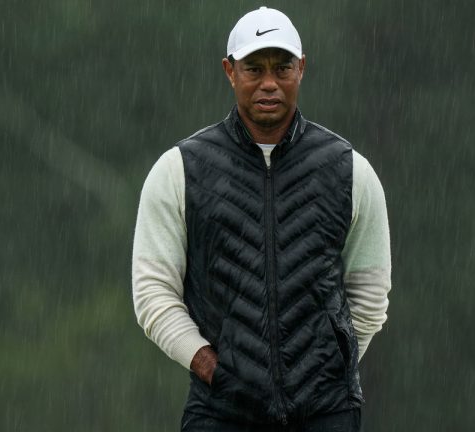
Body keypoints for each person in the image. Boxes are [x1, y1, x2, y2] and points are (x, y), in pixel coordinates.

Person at [132, 6, 391, 431]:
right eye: (254, 68)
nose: (269, 82)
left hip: (326, 414)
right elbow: (153, 293)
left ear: (302, 68)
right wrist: (212, 369)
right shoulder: (178, 170)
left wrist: (327, 369)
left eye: (282, 67)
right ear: (229, 71)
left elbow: (371, 292)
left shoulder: (350, 170)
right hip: (220, 413)